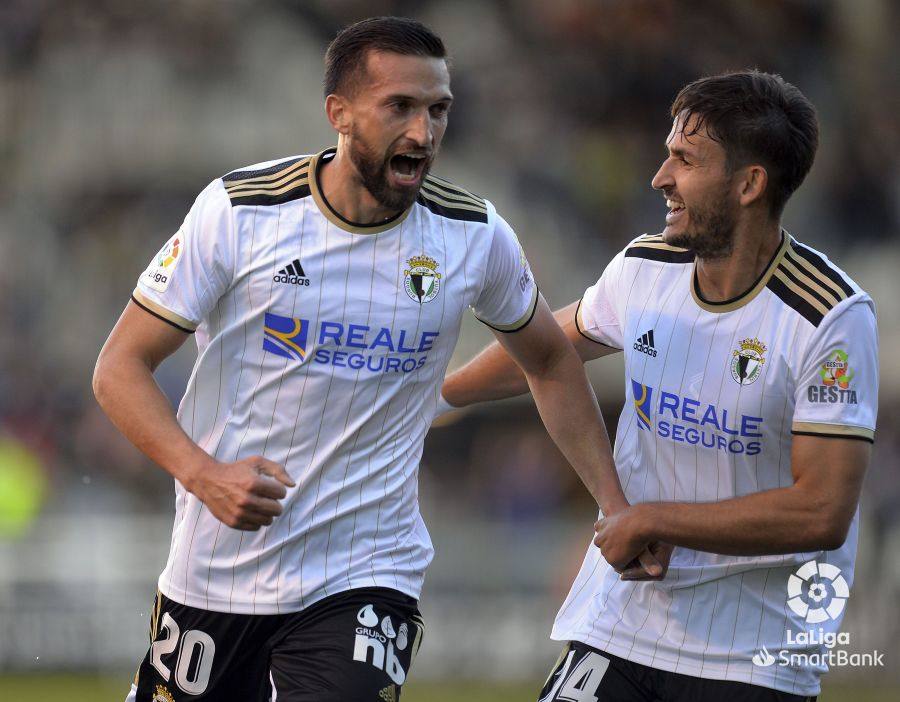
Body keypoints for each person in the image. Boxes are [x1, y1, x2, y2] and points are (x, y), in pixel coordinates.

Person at [92, 16, 657, 702]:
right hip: (216, 572)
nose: (424, 133)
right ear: (339, 113)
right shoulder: (240, 212)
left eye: (438, 109)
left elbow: (550, 360)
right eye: (401, 107)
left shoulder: (473, 236)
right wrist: (202, 473)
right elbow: (118, 368)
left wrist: (615, 504)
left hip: (366, 574)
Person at [438, 71, 877, 701]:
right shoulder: (647, 266)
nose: (659, 177)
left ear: (750, 184)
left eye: (685, 160)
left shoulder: (829, 317)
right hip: (624, 621)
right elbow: (542, 347)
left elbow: (821, 511)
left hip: (754, 650)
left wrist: (652, 518)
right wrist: (437, 398)